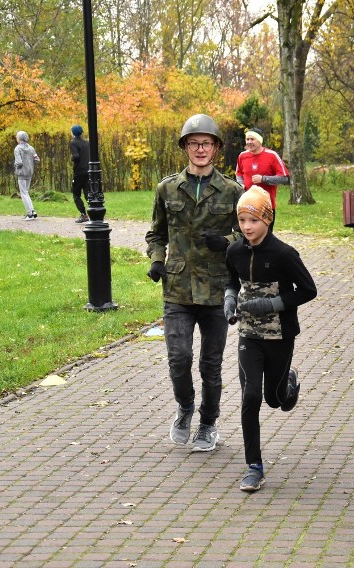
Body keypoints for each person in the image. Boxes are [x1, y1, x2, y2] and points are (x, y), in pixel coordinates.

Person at [145, 114, 243, 452]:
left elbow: (248, 234)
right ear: (185, 147)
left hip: (217, 290)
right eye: (193, 143)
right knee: (179, 357)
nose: (200, 149)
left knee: (210, 364)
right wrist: (157, 261)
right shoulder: (167, 188)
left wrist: (227, 241)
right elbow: (156, 233)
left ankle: (208, 422)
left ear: (215, 148)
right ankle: (185, 407)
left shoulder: (232, 190)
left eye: (206, 143)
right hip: (178, 287)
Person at [224, 185, 317, 492]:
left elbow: (308, 290)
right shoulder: (235, 250)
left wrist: (271, 304)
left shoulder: (284, 254)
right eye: (242, 220)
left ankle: (288, 382)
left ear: (268, 219)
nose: (247, 227)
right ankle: (254, 466)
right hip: (249, 334)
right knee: (250, 395)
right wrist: (228, 300)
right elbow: (230, 279)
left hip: (279, 335)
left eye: (253, 220)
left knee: (275, 400)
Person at [234, 128, 289, 231]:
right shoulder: (242, 156)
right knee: (246, 236)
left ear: (260, 141)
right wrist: (240, 184)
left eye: (252, 139)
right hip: (247, 204)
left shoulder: (272, 155)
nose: (249, 142)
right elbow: (239, 174)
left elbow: (284, 178)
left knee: (265, 239)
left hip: (266, 205)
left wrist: (264, 179)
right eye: (247, 139)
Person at [13, 130, 40, 221]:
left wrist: (16, 166)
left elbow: (19, 162)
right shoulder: (31, 148)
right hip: (29, 172)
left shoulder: (17, 149)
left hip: (21, 173)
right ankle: (32, 211)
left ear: (19, 138)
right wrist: (30, 163)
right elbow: (37, 160)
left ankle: (29, 213)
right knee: (26, 192)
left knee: (23, 193)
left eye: (17, 137)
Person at [69, 124, 90, 223]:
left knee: (76, 193)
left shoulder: (73, 143)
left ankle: (83, 214)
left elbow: (76, 156)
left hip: (79, 172)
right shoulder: (87, 143)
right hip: (88, 170)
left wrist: (72, 159)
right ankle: (94, 213)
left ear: (73, 133)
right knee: (87, 193)